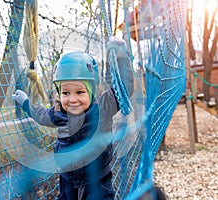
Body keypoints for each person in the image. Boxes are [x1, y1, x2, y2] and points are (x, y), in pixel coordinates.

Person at [13, 39, 134, 200]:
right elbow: (41, 115)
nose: (72, 99)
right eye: (65, 93)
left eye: (80, 92)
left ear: (91, 92)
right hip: (68, 180)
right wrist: (26, 103)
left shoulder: (103, 108)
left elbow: (125, 87)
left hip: (97, 180)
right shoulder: (59, 113)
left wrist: (121, 57)